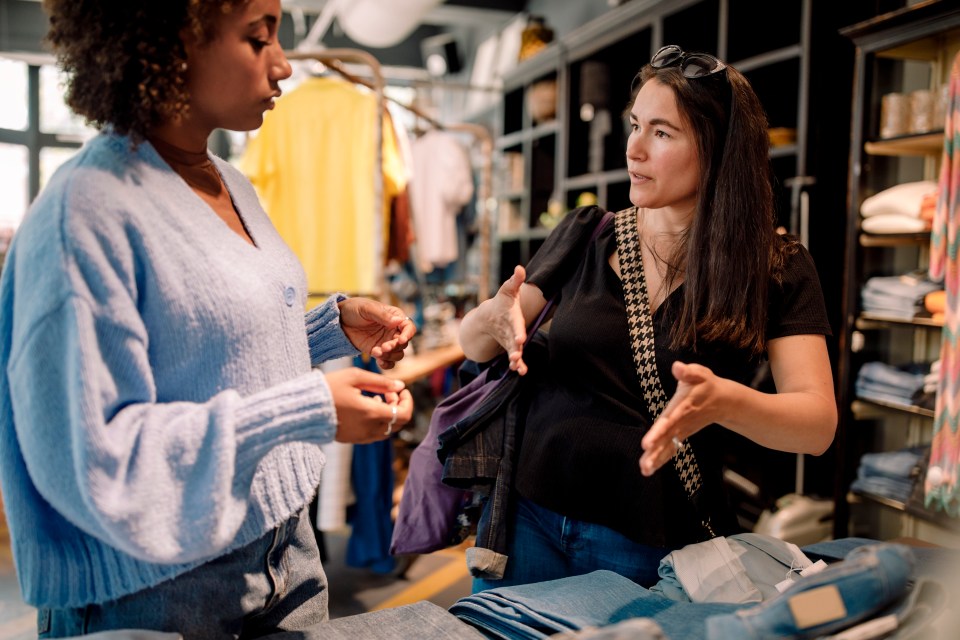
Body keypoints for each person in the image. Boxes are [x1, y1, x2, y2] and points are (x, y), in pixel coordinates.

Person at [0, 0, 417, 637]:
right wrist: (304, 411)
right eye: (258, 38)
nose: (282, 65)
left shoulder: (229, 181)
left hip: (285, 550)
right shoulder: (86, 212)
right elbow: (95, 459)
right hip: (159, 586)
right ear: (172, 40)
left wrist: (329, 327)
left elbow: (200, 352)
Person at [458, 45, 837, 592]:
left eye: (662, 133)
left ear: (717, 148)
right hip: (528, 520)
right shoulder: (589, 233)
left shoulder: (776, 266)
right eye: (635, 125)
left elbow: (818, 425)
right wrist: (491, 318)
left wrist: (725, 403)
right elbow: (480, 342)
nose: (634, 149)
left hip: (651, 543)